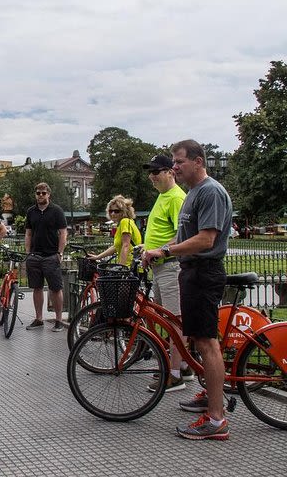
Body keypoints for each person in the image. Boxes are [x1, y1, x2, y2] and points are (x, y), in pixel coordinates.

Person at [142, 139, 233, 440]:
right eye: (173, 162)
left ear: (198, 161)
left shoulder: (210, 192)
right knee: (197, 337)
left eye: (179, 162)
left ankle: (217, 421)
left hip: (204, 273)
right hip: (191, 272)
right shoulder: (194, 194)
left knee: (208, 343)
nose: (175, 167)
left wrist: (165, 251)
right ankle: (210, 396)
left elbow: (207, 239)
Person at [140, 155, 190, 392]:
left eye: (156, 171)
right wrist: (147, 248)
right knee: (167, 318)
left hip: (171, 266)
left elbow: (183, 235)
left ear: (170, 172)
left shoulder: (176, 198)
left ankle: (175, 373)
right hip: (160, 266)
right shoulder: (163, 196)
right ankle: (184, 365)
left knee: (174, 320)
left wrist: (159, 250)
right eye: (149, 172)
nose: (151, 176)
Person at [23, 183, 68, 331]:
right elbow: (28, 233)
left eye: (43, 193)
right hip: (35, 255)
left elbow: (63, 233)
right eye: (38, 193)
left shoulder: (56, 211)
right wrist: (28, 252)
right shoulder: (31, 211)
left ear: (49, 194)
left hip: (51, 255)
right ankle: (38, 318)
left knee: (55, 288)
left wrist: (60, 253)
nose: (40, 195)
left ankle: (59, 320)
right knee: (37, 288)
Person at [89, 195, 142, 267]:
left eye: (116, 211)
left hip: (130, 266)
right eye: (111, 211)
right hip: (130, 265)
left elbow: (126, 245)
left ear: (124, 211)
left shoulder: (125, 222)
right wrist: (98, 257)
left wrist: (121, 267)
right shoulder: (123, 223)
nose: (113, 214)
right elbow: (115, 247)